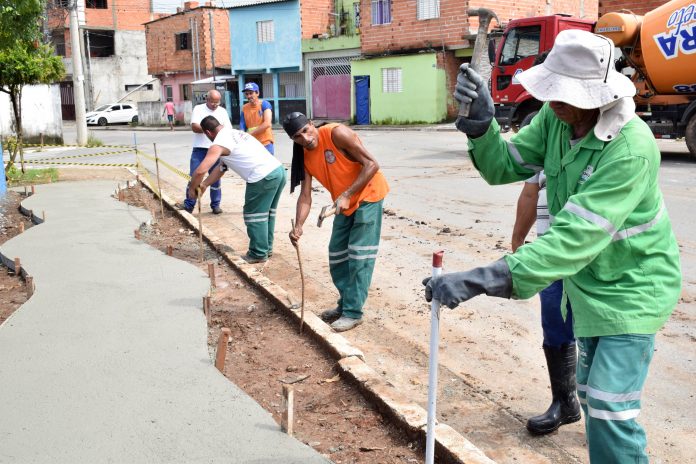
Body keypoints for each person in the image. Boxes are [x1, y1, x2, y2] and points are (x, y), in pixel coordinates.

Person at [424, 30, 681, 463]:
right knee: (591, 398)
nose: (552, 100)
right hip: (586, 287)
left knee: (610, 411)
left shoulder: (631, 148)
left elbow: (575, 238)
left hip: (633, 290)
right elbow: (505, 166)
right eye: (551, 90)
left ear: (599, 94)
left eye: (565, 94)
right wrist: (482, 127)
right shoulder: (555, 118)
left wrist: (484, 278)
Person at [283, 112, 389, 332]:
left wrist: (348, 194)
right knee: (338, 255)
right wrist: (299, 226)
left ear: (311, 124)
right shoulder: (304, 156)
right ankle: (345, 304)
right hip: (343, 203)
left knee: (359, 257)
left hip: (368, 196)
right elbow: (305, 196)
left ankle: (353, 312)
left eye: (306, 131)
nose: (305, 138)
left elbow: (372, 164)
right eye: (297, 137)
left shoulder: (336, 133)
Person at [512, 171, 580, 435]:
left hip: (591, 254)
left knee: (599, 333)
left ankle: (604, 419)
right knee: (554, 324)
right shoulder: (543, 148)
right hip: (550, 256)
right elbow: (530, 192)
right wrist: (518, 239)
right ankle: (565, 403)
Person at [187, 115, 286, 263]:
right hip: (278, 171)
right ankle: (266, 248)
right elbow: (222, 168)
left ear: (207, 132)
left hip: (262, 177)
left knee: (254, 216)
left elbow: (200, 170)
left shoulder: (218, 143)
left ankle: (258, 253)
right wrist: (205, 184)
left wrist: (192, 189)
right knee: (267, 214)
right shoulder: (235, 133)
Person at [181, 90, 232, 215]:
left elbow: (228, 129)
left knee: (215, 178)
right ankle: (189, 204)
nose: (215, 105)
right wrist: (211, 129)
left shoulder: (222, 111)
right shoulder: (198, 109)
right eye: (213, 102)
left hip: (217, 149)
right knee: (194, 176)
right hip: (200, 149)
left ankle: (215, 205)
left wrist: (214, 132)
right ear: (207, 99)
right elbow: (194, 127)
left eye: (217, 102)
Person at [239, 82, 275, 155]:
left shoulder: (264, 104)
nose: (249, 96)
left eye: (251, 93)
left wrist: (249, 134)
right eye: (246, 94)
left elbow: (267, 123)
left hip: (265, 144)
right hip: (252, 144)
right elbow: (242, 124)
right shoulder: (244, 108)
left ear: (257, 93)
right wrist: (241, 134)